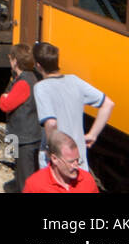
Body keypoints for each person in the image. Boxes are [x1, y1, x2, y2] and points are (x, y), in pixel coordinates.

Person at [32, 42, 114, 176]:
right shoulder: (75, 81)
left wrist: (52, 151)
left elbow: (51, 123)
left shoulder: (41, 87)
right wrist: (92, 134)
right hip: (78, 158)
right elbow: (108, 104)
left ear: (38, 66)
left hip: (57, 162)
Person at [0, 43, 41, 191]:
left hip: (25, 139)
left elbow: (6, 104)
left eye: (11, 59)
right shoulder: (33, 76)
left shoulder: (23, 82)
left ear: (15, 61)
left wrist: (4, 97)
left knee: (25, 180)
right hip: (31, 135)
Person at [22, 132, 99, 193]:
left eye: (77, 160)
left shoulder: (87, 179)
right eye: (71, 162)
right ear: (54, 159)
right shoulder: (34, 185)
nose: (76, 166)